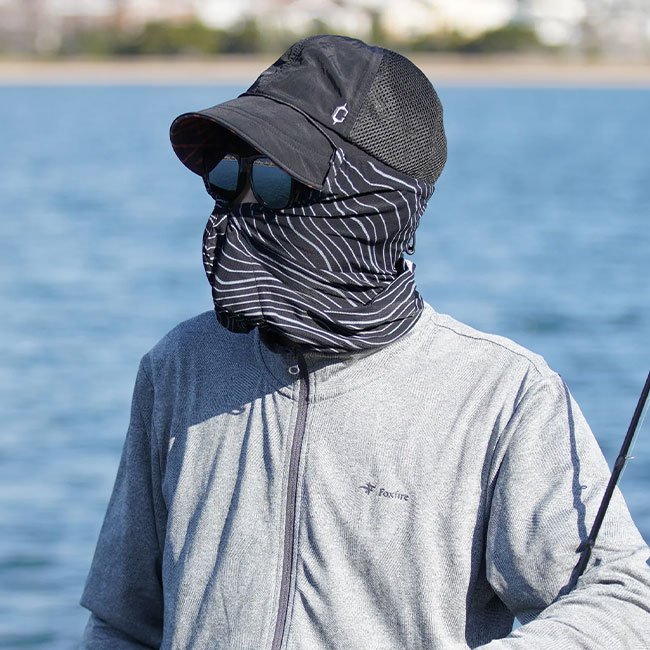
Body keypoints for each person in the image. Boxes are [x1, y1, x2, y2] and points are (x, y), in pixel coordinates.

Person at [80, 34, 650, 649]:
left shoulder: (502, 396)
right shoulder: (180, 366)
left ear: (375, 203)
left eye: (272, 181)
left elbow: (620, 600)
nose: (241, 208)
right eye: (226, 176)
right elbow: (122, 622)